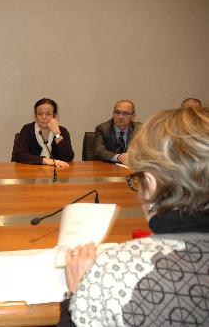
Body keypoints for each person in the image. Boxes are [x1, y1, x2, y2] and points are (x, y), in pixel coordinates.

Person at [58, 107, 209, 326]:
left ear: (152, 183)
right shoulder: (102, 129)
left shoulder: (114, 269)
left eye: (137, 179)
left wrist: (78, 295)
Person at [14, 98, 74, 167]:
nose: (44, 117)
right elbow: (19, 155)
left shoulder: (62, 131)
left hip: (57, 173)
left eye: (48, 114)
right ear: (35, 116)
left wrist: (57, 134)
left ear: (54, 116)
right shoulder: (27, 129)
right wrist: (44, 160)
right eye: (40, 114)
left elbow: (68, 158)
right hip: (32, 172)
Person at [93, 100, 141, 164]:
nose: (120, 117)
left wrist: (132, 156)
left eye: (125, 113)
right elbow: (99, 151)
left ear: (133, 116)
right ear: (113, 114)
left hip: (132, 168)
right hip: (108, 168)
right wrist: (119, 157)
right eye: (117, 112)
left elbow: (148, 150)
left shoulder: (140, 130)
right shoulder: (102, 129)